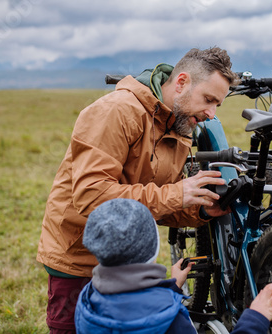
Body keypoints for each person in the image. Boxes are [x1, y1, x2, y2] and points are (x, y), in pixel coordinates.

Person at [36, 47, 240, 333]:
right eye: (208, 100)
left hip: (132, 262)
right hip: (80, 258)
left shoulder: (178, 127)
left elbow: (158, 201)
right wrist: (177, 194)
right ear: (181, 82)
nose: (211, 113)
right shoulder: (116, 111)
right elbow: (91, 196)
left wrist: (200, 208)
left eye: (218, 104)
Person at [74, 198, 272, 334]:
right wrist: (255, 318)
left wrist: (172, 288)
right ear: (151, 248)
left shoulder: (87, 300)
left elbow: (131, 307)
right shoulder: (170, 319)